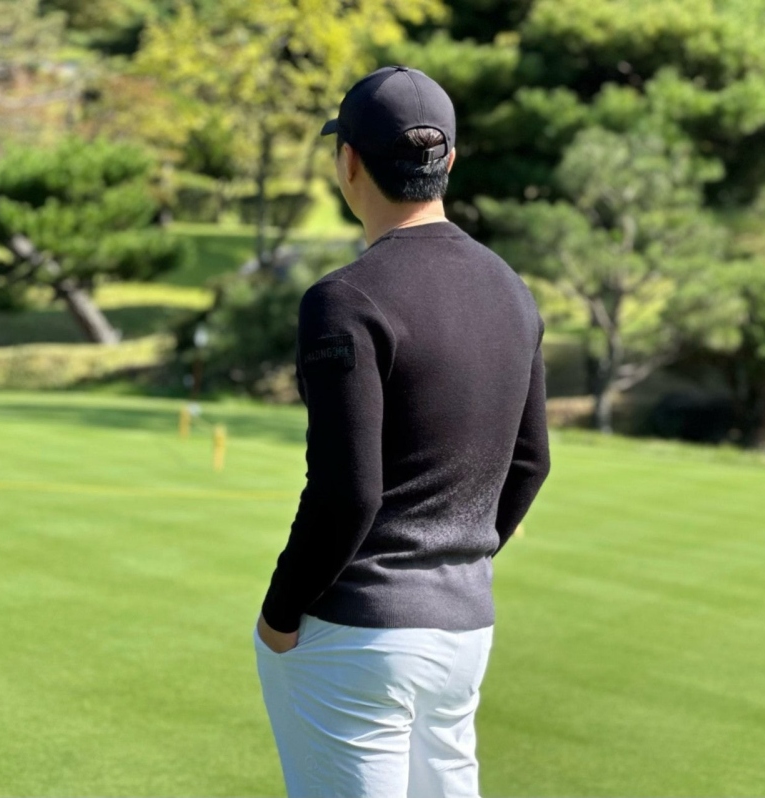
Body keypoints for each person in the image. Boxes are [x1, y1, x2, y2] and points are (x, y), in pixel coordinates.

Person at [254, 65, 551, 798]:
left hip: (356, 633)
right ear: (449, 160)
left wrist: (279, 613)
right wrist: (461, 558)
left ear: (348, 163)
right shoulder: (511, 289)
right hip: (464, 631)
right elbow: (530, 463)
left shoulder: (342, 300)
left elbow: (347, 493)